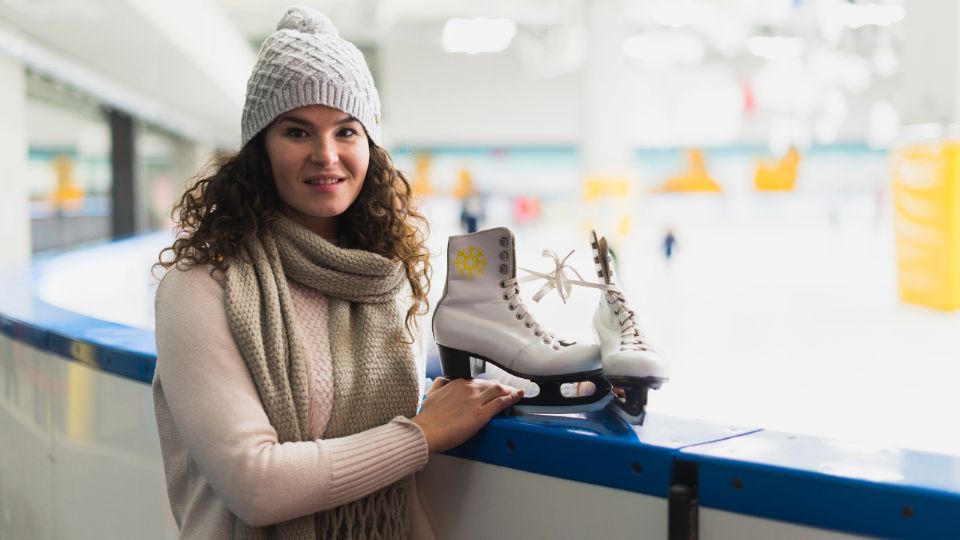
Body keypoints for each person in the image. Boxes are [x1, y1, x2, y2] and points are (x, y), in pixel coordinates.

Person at [151, 7, 523, 539]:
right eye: (298, 131)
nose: (326, 155)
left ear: (368, 145)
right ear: (260, 149)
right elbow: (255, 486)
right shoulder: (202, 288)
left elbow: (393, 490)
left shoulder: (384, 284)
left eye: (346, 131)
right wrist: (421, 433)